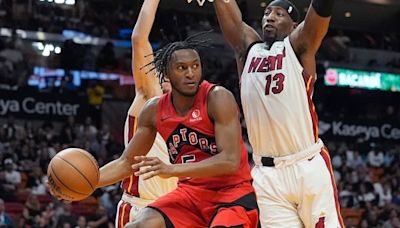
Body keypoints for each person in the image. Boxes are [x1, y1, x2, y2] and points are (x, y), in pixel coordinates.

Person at [97, 33, 259, 227]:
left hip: (231, 194)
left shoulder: (217, 98)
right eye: (182, 68)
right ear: (166, 74)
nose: (191, 73)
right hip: (190, 194)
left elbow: (230, 162)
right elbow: (126, 163)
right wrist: (87, 183)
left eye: (195, 66)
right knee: (139, 225)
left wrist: (171, 169)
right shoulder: (153, 110)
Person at [212, 0, 343, 227]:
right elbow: (233, 20)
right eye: (267, 12)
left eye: (280, 14)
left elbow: (319, 15)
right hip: (267, 175)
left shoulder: (298, 47)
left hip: (306, 164)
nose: (270, 17)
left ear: (294, 25)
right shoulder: (248, 49)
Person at [115, 0, 177, 227]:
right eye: (166, 69)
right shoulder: (149, 96)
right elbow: (138, 39)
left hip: (177, 209)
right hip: (141, 208)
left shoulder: (195, 114)